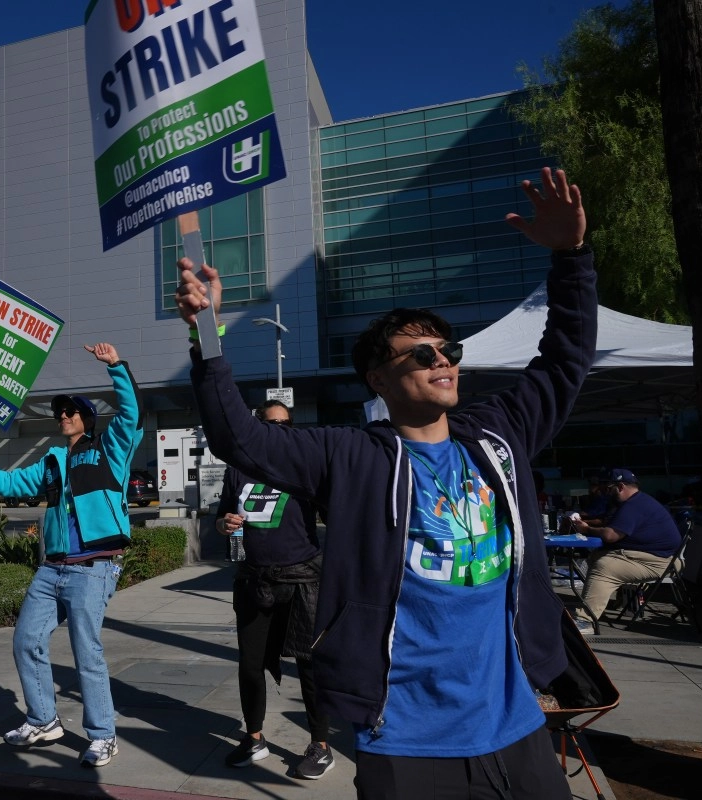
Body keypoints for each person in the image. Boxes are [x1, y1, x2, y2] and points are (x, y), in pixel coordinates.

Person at [176, 167, 592, 799]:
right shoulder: (351, 455)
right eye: (421, 354)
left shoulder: (500, 434)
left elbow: (566, 357)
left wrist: (571, 258)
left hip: (516, 726)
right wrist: (206, 335)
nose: (442, 361)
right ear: (378, 378)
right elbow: (244, 442)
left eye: (447, 350)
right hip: (405, 738)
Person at [0, 342, 142, 768]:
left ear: (86, 419)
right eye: (60, 412)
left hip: (94, 566)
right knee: (26, 641)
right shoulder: (52, 460)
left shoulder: (110, 448)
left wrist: (116, 368)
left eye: (71, 412)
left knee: (86, 652)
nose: (63, 416)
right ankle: (43, 720)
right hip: (52, 568)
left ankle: (103, 735)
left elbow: (131, 415)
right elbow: (10, 483)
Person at [216, 400, 333, 779]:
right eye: (271, 424)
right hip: (255, 579)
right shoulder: (239, 470)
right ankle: (254, 738)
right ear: (259, 427)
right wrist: (225, 524)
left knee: (311, 666)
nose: (280, 430)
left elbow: (336, 511)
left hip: (302, 578)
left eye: (286, 424)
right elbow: (222, 517)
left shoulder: (305, 465)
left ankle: (321, 743)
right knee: (250, 666)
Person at [570, 468, 683, 635]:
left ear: (620, 486)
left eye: (610, 488)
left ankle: (586, 621)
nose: (607, 492)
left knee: (605, 567)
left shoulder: (634, 505)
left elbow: (610, 535)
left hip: (662, 562)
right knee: (598, 556)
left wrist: (587, 529)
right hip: (652, 556)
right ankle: (611, 601)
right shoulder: (638, 502)